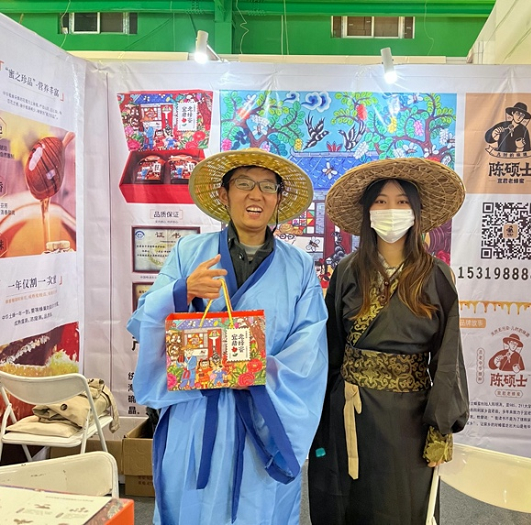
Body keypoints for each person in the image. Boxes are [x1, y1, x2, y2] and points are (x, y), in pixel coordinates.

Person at [127, 148, 328, 525]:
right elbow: (146, 320)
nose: (256, 195)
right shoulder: (190, 251)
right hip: (195, 413)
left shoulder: (299, 267)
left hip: (262, 418)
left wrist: (248, 369)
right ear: (224, 194)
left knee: (258, 509)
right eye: (244, 184)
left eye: (267, 186)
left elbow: (309, 349)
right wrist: (182, 291)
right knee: (191, 508)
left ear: (278, 199)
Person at [308, 157, 469, 525]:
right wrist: (318, 413)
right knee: (344, 503)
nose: (391, 210)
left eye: (401, 201)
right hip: (347, 411)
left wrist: (441, 427)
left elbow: (448, 357)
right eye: (380, 201)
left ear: (415, 212)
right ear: (368, 212)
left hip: (407, 420)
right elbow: (330, 348)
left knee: (402, 506)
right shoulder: (347, 271)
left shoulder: (436, 275)